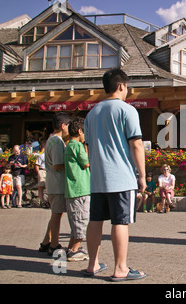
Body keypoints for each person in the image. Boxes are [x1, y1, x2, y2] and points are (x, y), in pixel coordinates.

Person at [84, 68, 147, 281]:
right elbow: (136, 145)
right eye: (127, 87)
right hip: (121, 177)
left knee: (95, 220)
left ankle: (92, 265)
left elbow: (89, 147)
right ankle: (121, 268)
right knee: (120, 222)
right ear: (122, 86)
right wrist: (142, 176)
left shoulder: (91, 113)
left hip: (98, 177)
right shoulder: (127, 110)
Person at [38, 112, 71, 255]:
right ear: (63, 126)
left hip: (54, 183)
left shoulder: (52, 140)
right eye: (68, 126)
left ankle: (46, 241)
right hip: (57, 183)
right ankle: (54, 245)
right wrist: (72, 164)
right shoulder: (57, 142)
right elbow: (58, 165)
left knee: (56, 214)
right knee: (57, 214)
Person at [64, 116, 90, 262]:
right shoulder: (77, 146)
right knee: (81, 219)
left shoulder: (69, 145)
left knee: (76, 220)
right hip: (80, 188)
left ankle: (72, 247)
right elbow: (86, 163)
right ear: (80, 131)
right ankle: (74, 251)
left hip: (72, 189)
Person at [35, 139, 49, 208]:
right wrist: (39, 173)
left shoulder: (50, 155)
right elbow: (37, 165)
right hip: (42, 170)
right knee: (41, 187)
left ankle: (48, 201)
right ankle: (42, 201)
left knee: (49, 187)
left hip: (48, 171)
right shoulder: (41, 156)